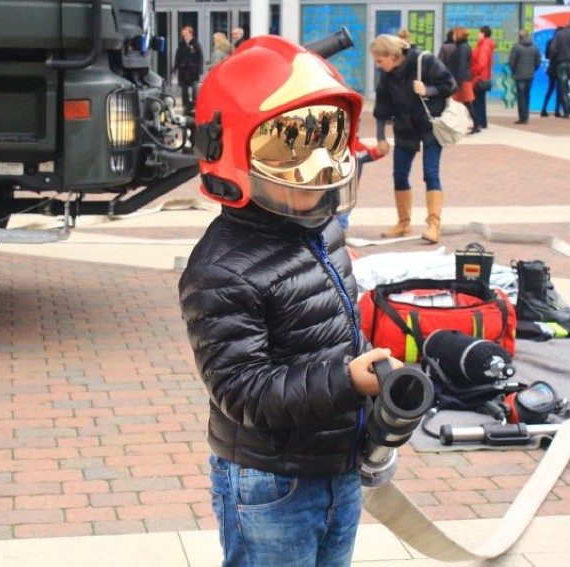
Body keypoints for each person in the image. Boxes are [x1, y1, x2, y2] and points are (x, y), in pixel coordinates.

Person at [178, 34, 402, 567]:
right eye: (292, 143)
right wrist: (349, 382)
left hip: (336, 468)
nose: (321, 166)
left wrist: (374, 409)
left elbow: (338, 331)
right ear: (233, 152)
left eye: (329, 137)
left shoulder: (321, 232)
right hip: (271, 484)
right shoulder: (221, 269)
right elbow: (244, 391)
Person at [370, 34, 456, 243]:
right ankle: (403, 223)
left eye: (380, 61)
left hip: (430, 126)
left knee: (430, 173)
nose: (378, 66)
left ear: (391, 56)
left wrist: (428, 90)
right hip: (405, 127)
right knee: (399, 174)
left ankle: (434, 225)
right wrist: (381, 137)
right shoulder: (388, 75)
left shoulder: (424, 61)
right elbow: (382, 107)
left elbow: (450, 85)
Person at [446, 27, 476, 133]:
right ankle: (475, 124)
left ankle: (476, 124)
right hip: (462, 78)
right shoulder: (463, 46)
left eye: (454, 34)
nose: (453, 36)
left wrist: (457, 82)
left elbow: (461, 65)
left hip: (461, 79)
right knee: (465, 102)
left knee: (466, 102)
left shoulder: (462, 48)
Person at [509, 29, 541, 125]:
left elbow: (511, 62)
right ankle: (526, 116)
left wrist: (514, 71)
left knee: (521, 96)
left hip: (519, 75)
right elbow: (538, 62)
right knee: (527, 96)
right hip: (530, 75)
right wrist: (533, 69)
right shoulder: (535, 48)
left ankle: (522, 117)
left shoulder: (516, 47)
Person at [173, 26, 204, 112]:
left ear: (190, 33)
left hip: (193, 70)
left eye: (185, 34)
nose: (184, 36)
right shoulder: (181, 44)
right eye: (183, 34)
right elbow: (177, 56)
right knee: (184, 89)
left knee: (195, 88)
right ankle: (185, 105)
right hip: (183, 70)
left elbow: (200, 57)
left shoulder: (196, 44)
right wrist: (175, 67)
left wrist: (200, 69)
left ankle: (194, 105)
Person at [471, 25, 495, 130]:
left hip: (479, 77)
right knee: (480, 101)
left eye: (478, 33)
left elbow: (481, 63)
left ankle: (479, 122)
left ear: (483, 34)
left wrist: (472, 71)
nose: (477, 35)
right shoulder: (485, 45)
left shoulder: (484, 46)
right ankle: (482, 122)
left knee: (478, 101)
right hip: (483, 77)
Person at [541, 28, 564, 118]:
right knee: (559, 90)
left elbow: (546, 55)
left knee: (550, 89)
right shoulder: (562, 43)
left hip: (551, 67)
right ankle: (557, 111)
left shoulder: (550, 41)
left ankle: (544, 109)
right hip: (560, 67)